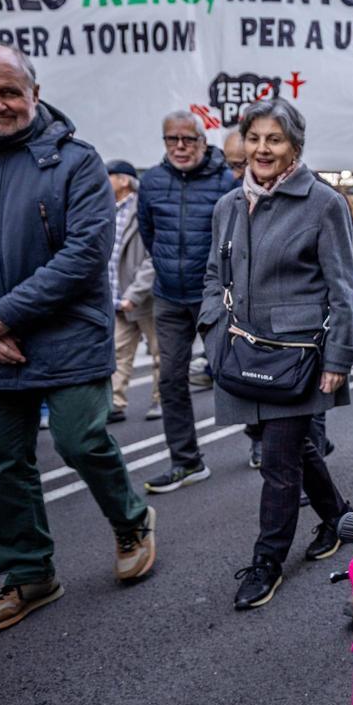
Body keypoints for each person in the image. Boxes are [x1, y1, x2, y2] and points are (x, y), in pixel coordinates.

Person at [0, 44, 157, 632]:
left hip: (66, 336)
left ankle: (131, 519)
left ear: (34, 93)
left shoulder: (77, 162)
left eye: (10, 91)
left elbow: (85, 255)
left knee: (80, 439)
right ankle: (30, 574)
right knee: (0, 459)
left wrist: (0, 317)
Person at [199, 98, 353, 610]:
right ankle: (337, 518)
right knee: (294, 449)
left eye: (275, 139)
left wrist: (337, 359)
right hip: (240, 355)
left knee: (278, 459)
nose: (262, 149)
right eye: (254, 138)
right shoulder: (227, 206)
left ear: (295, 148)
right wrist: (213, 332)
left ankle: (267, 561)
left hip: (296, 359)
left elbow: (343, 288)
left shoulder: (323, 203)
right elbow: (212, 278)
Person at [139, 111, 234, 494]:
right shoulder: (152, 180)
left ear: (202, 140)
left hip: (211, 295)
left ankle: (261, 441)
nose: (179, 147)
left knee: (234, 373)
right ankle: (186, 461)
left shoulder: (224, 181)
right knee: (170, 379)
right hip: (168, 296)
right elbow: (149, 233)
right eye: (171, 140)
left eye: (187, 140)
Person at [105, 159, 160, 423]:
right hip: (117, 297)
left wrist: (136, 293)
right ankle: (115, 402)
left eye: (109, 176)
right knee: (118, 351)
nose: (104, 182)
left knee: (160, 352)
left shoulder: (143, 208)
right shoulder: (107, 210)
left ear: (124, 180)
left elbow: (154, 256)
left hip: (144, 298)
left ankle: (161, 400)